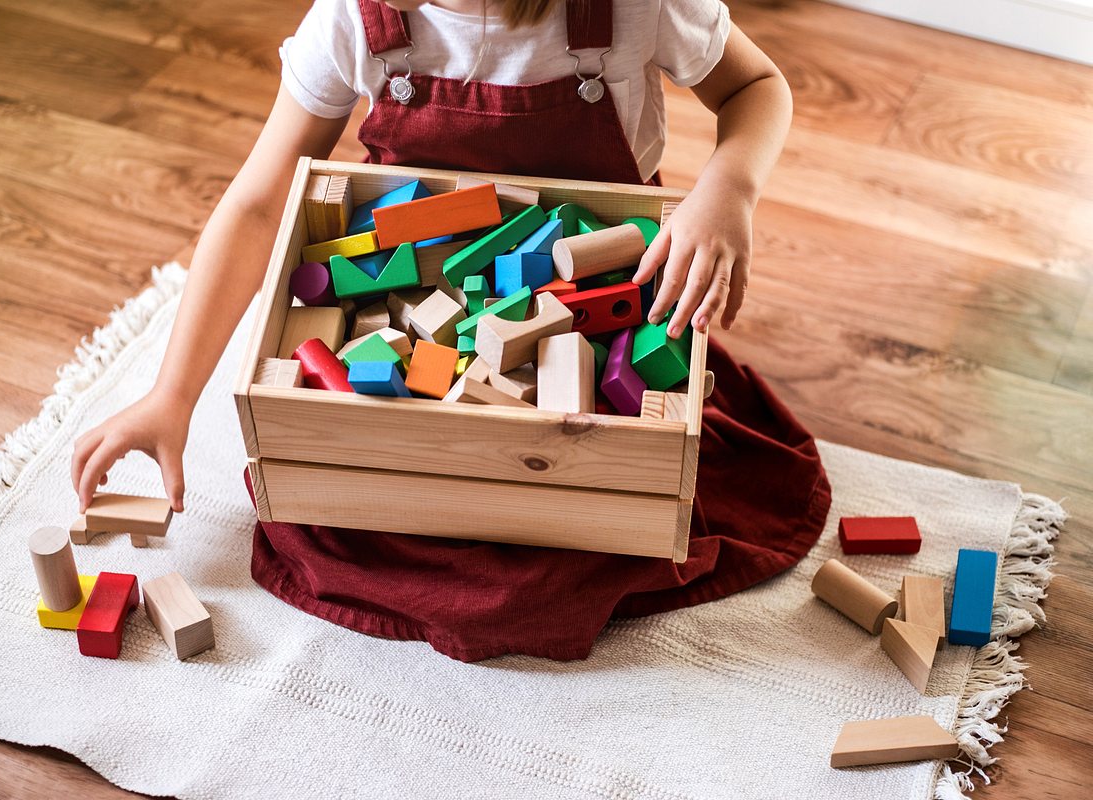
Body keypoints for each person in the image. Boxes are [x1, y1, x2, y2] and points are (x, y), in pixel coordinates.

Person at [72, 0, 831, 661]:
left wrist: (730, 188)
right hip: (409, 345)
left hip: (596, 313)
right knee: (348, 500)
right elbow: (257, 205)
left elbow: (758, 86)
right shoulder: (354, 14)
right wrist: (171, 395)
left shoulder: (634, 5)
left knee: (590, 532)